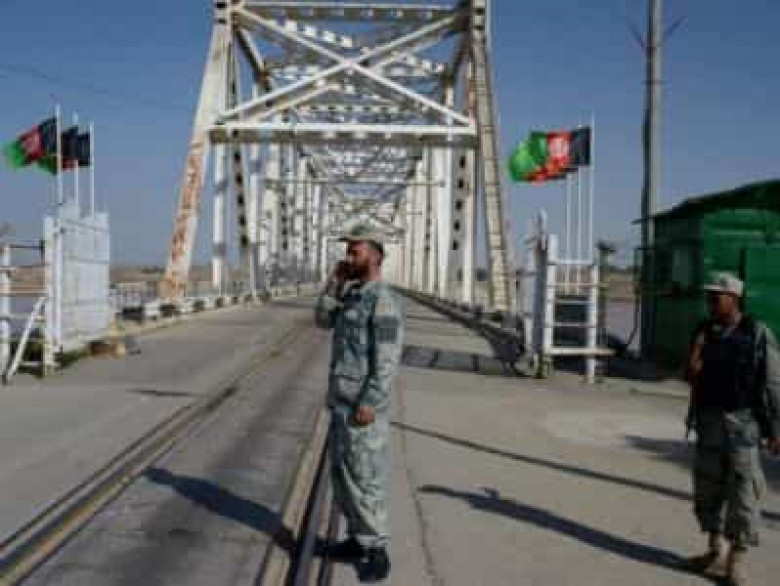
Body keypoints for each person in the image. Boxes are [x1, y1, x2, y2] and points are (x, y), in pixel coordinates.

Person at [314, 223, 405, 583]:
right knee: (343, 475)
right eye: (348, 250)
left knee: (366, 478)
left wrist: (371, 401)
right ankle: (356, 538)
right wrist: (333, 284)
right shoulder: (352, 295)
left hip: (361, 407)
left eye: (356, 250)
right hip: (341, 401)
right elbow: (322, 320)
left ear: (375, 255)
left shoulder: (382, 300)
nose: (349, 255)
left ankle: (377, 550)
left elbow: (387, 360)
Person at [685, 272, 780, 586]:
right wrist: (694, 359)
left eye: (716, 297)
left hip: (743, 424)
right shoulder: (704, 331)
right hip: (709, 422)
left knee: (743, 493)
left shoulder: (757, 333)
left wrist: (776, 429)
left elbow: (774, 384)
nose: (710, 302)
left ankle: (736, 560)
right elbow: (690, 375)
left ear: (734, 299)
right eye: (709, 297)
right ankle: (715, 551)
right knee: (707, 488)